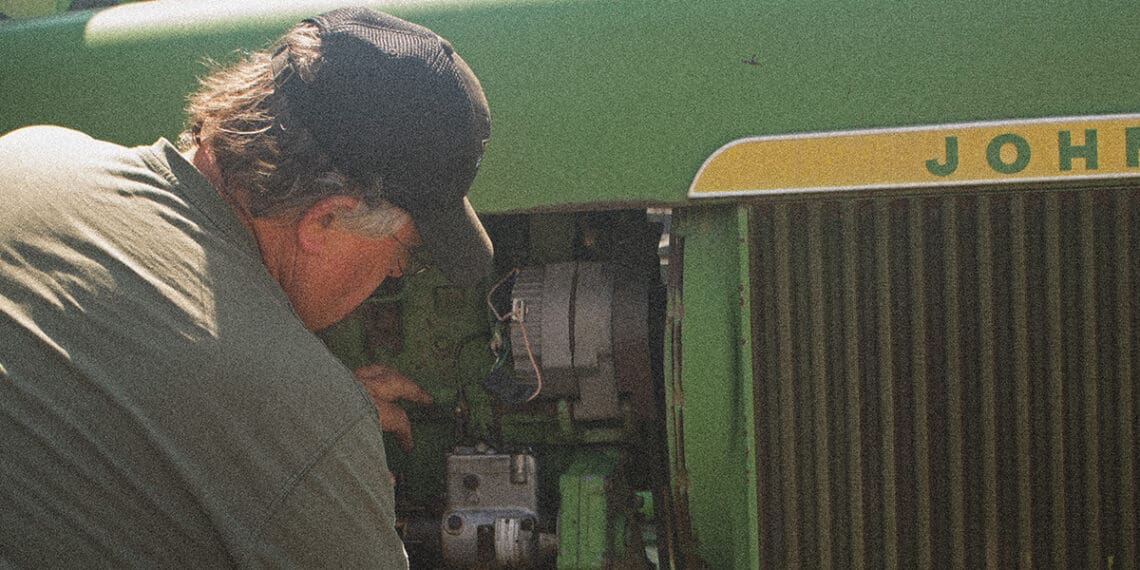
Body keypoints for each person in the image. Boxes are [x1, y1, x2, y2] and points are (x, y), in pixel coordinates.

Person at [0, 6, 491, 567]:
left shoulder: (30, 154)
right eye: (406, 253)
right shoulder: (310, 430)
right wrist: (315, 433)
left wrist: (288, 422)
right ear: (324, 220)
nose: (396, 274)